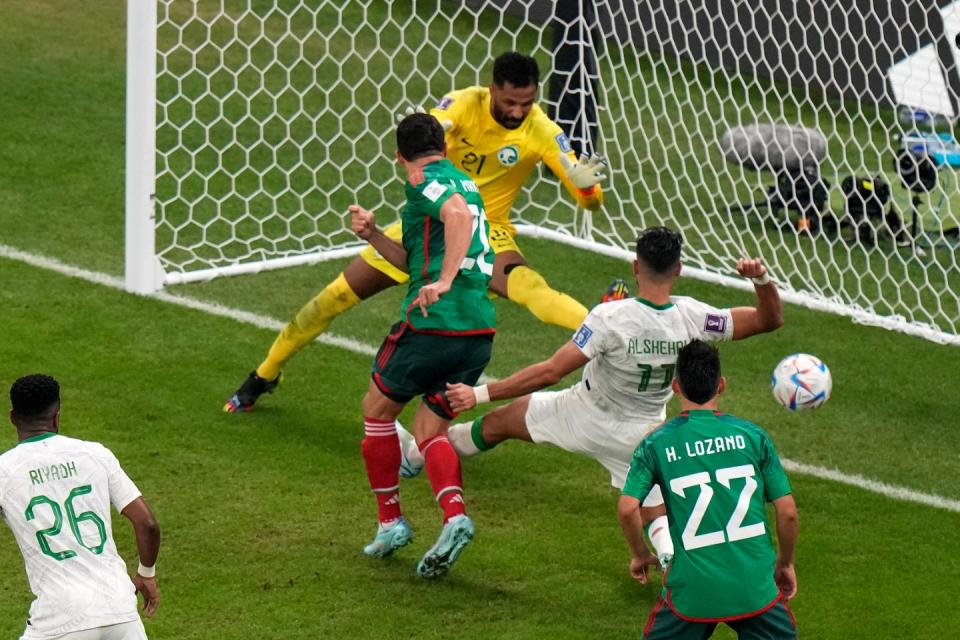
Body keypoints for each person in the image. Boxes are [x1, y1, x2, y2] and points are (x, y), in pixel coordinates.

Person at [224, 50, 611, 413]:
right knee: (333, 297)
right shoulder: (465, 102)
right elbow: (434, 124)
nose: (518, 111)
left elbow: (589, 201)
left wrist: (589, 190)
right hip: (422, 224)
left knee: (530, 289)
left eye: (526, 103)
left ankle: (605, 324)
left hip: (484, 228)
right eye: (510, 102)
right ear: (493, 89)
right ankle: (264, 374)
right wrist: (432, 126)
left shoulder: (543, 131)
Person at [403, 226, 783, 564]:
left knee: (498, 423)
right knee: (655, 515)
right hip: (643, 435)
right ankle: (669, 561)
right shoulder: (697, 318)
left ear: (636, 267)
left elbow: (551, 370)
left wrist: (480, 392)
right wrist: (762, 279)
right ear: (679, 269)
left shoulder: (609, 318)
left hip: (581, 412)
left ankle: (416, 454)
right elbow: (768, 320)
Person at [351, 112, 495, 578]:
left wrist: (445, 280)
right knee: (429, 429)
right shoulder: (465, 182)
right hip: (478, 331)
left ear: (398, 155)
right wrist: (374, 235)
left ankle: (390, 521)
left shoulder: (423, 181)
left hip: (435, 323)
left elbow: (453, 216)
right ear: (446, 148)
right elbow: (417, 259)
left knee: (376, 410)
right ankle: (455, 517)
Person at [618, 340, 799, 639]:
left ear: (675, 386)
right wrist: (785, 563)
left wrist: (640, 554)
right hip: (755, 589)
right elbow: (788, 513)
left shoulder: (655, 444)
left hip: (692, 594)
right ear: (722, 385)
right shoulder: (754, 436)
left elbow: (627, 509)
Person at [0, 374, 161, 640]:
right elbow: (148, 525)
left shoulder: (4, 471)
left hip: (59, 618)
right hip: (120, 610)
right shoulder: (96, 454)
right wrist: (146, 573)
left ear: (13, 417)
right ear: (56, 416)